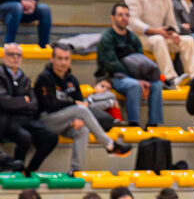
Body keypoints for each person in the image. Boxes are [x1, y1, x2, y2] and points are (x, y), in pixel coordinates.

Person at [34, 44, 128, 174]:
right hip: (45, 122)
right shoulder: (44, 78)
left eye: (66, 58)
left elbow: (80, 103)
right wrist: (74, 107)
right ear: (52, 59)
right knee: (80, 110)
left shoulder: (72, 80)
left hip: (66, 123)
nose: (63, 62)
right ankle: (109, 144)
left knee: (82, 130)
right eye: (60, 58)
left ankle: (75, 169)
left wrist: (76, 117)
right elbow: (49, 106)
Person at [125, 0, 194, 88]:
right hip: (139, 36)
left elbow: (171, 22)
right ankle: (171, 78)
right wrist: (155, 30)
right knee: (158, 39)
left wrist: (174, 33)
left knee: (187, 40)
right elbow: (132, 21)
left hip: (160, 34)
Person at [96, 3, 165, 128]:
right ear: (113, 17)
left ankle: (153, 124)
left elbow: (141, 60)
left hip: (134, 76)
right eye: (120, 15)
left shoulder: (133, 38)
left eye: (127, 15)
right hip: (113, 77)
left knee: (156, 84)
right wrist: (137, 80)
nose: (124, 18)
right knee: (134, 86)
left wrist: (144, 79)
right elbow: (111, 65)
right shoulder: (107, 38)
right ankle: (134, 124)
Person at [1, 44, 57, 173]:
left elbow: (34, 104)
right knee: (25, 137)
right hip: (6, 120)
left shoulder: (24, 78)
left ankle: (29, 170)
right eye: (11, 54)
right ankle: (16, 170)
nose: (15, 58)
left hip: (25, 119)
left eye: (18, 55)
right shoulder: (1, 74)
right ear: (4, 56)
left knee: (51, 137)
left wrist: (17, 103)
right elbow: (3, 102)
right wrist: (23, 101)